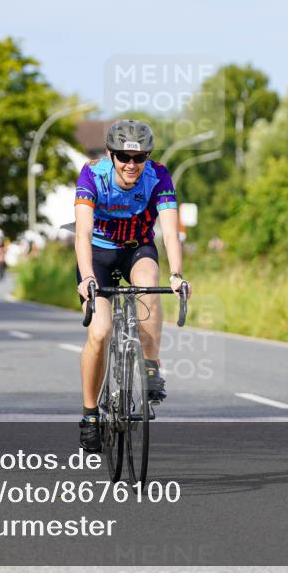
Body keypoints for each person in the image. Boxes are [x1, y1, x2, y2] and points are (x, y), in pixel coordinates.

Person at [73, 119, 190, 452]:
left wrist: (177, 273)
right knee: (100, 331)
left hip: (137, 248)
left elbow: (169, 231)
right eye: (124, 156)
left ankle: (150, 365)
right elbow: (81, 232)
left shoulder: (159, 176)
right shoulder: (93, 175)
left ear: (148, 158)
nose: (131, 165)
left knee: (149, 284)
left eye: (139, 158)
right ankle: (90, 413)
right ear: (111, 154)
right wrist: (87, 278)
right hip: (97, 253)